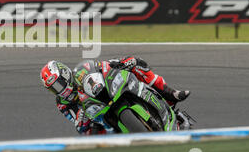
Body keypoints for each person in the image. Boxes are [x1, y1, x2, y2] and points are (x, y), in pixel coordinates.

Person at [40, 57, 191, 135]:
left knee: (135, 64)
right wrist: (81, 118)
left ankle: (170, 94)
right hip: (97, 114)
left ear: (64, 74)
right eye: (53, 89)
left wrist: (119, 63)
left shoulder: (81, 70)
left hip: (106, 94)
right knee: (88, 134)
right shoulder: (62, 103)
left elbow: (101, 66)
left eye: (58, 84)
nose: (58, 90)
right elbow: (75, 121)